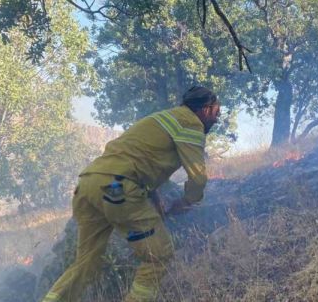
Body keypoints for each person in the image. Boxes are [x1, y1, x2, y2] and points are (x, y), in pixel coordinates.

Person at [43, 86, 221, 302]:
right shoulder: (190, 123)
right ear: (205, 109)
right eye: (216, 111)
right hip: (116, 187)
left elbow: (142, 159)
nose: (217, 117)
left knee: (86, 262)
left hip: (88, 183)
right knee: (159, 255)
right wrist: (187, 201)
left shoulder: (162, 118)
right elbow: (198, 177)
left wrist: (154, 199)